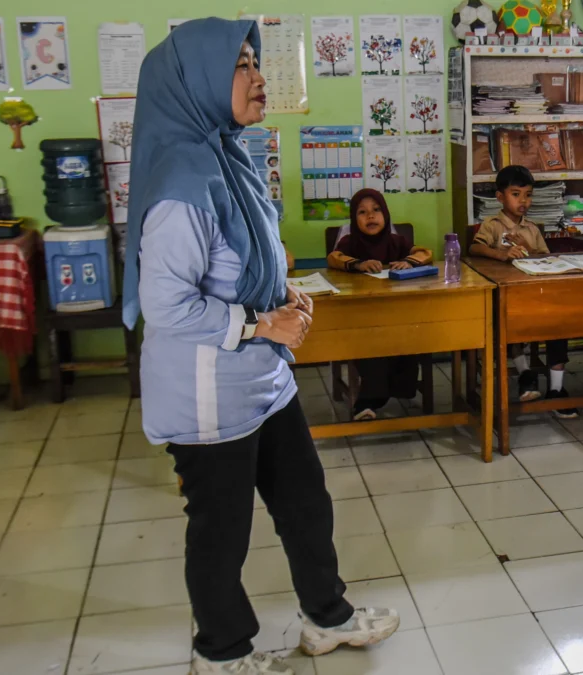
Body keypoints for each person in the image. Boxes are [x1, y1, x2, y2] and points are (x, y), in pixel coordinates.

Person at [123, 19, 398, 675]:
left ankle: (326, 617)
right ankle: (221, 651)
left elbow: (252, 259)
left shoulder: (228, 154)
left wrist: (288, 297)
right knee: (222, 528)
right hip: (207, 394)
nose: (258, 75)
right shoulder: (182, 179)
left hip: (263, 382)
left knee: (304, 499)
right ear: (196, 83)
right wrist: (260, 324)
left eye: (255, 61)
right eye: (241, 65)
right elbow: (167, 306)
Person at [470, 165, 578, 418]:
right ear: (500, 197)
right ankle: (525, 374)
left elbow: (545, 258)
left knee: (558, 326)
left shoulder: (531, 229)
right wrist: (501, 253)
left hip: (536, 296)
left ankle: (556, 389)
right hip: (509, 299)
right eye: (516, 194)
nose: (523, 201)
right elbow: (475, 248)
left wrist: (529, 246)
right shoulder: (492, 225)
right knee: (509, 323)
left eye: (528, 195)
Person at [329, 189, 433, 420]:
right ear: (354, 220)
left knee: (407, 335)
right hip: (361, 315)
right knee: (371, 341)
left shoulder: (397, 241)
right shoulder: (349, 242)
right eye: (362, 212)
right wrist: (358, 264)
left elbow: (425, 253)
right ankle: (368, 400)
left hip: (397, 313)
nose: (371, 217)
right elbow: (334, 258)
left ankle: (391, 391)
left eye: (376, 210)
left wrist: (408, 261)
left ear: (385, 214)